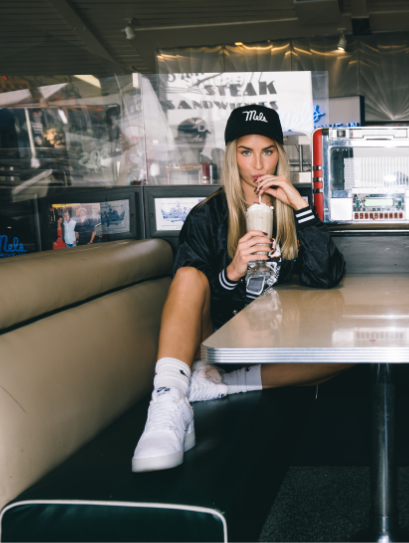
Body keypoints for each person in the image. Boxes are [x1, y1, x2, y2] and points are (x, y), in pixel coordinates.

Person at [132, 105, 349, 473]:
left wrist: (299, 206)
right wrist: (232, 272)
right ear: (232, 157)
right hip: (215, 339)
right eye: (246, 152)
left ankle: (219, 384)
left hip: (270, 341)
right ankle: (168, 398)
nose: (258, 165)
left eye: (267, 151)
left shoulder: (290, 210)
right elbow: (190, 296)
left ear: (279, 154)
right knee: (188, 275)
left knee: (349, 353)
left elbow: (327, 276)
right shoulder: (207, 215)